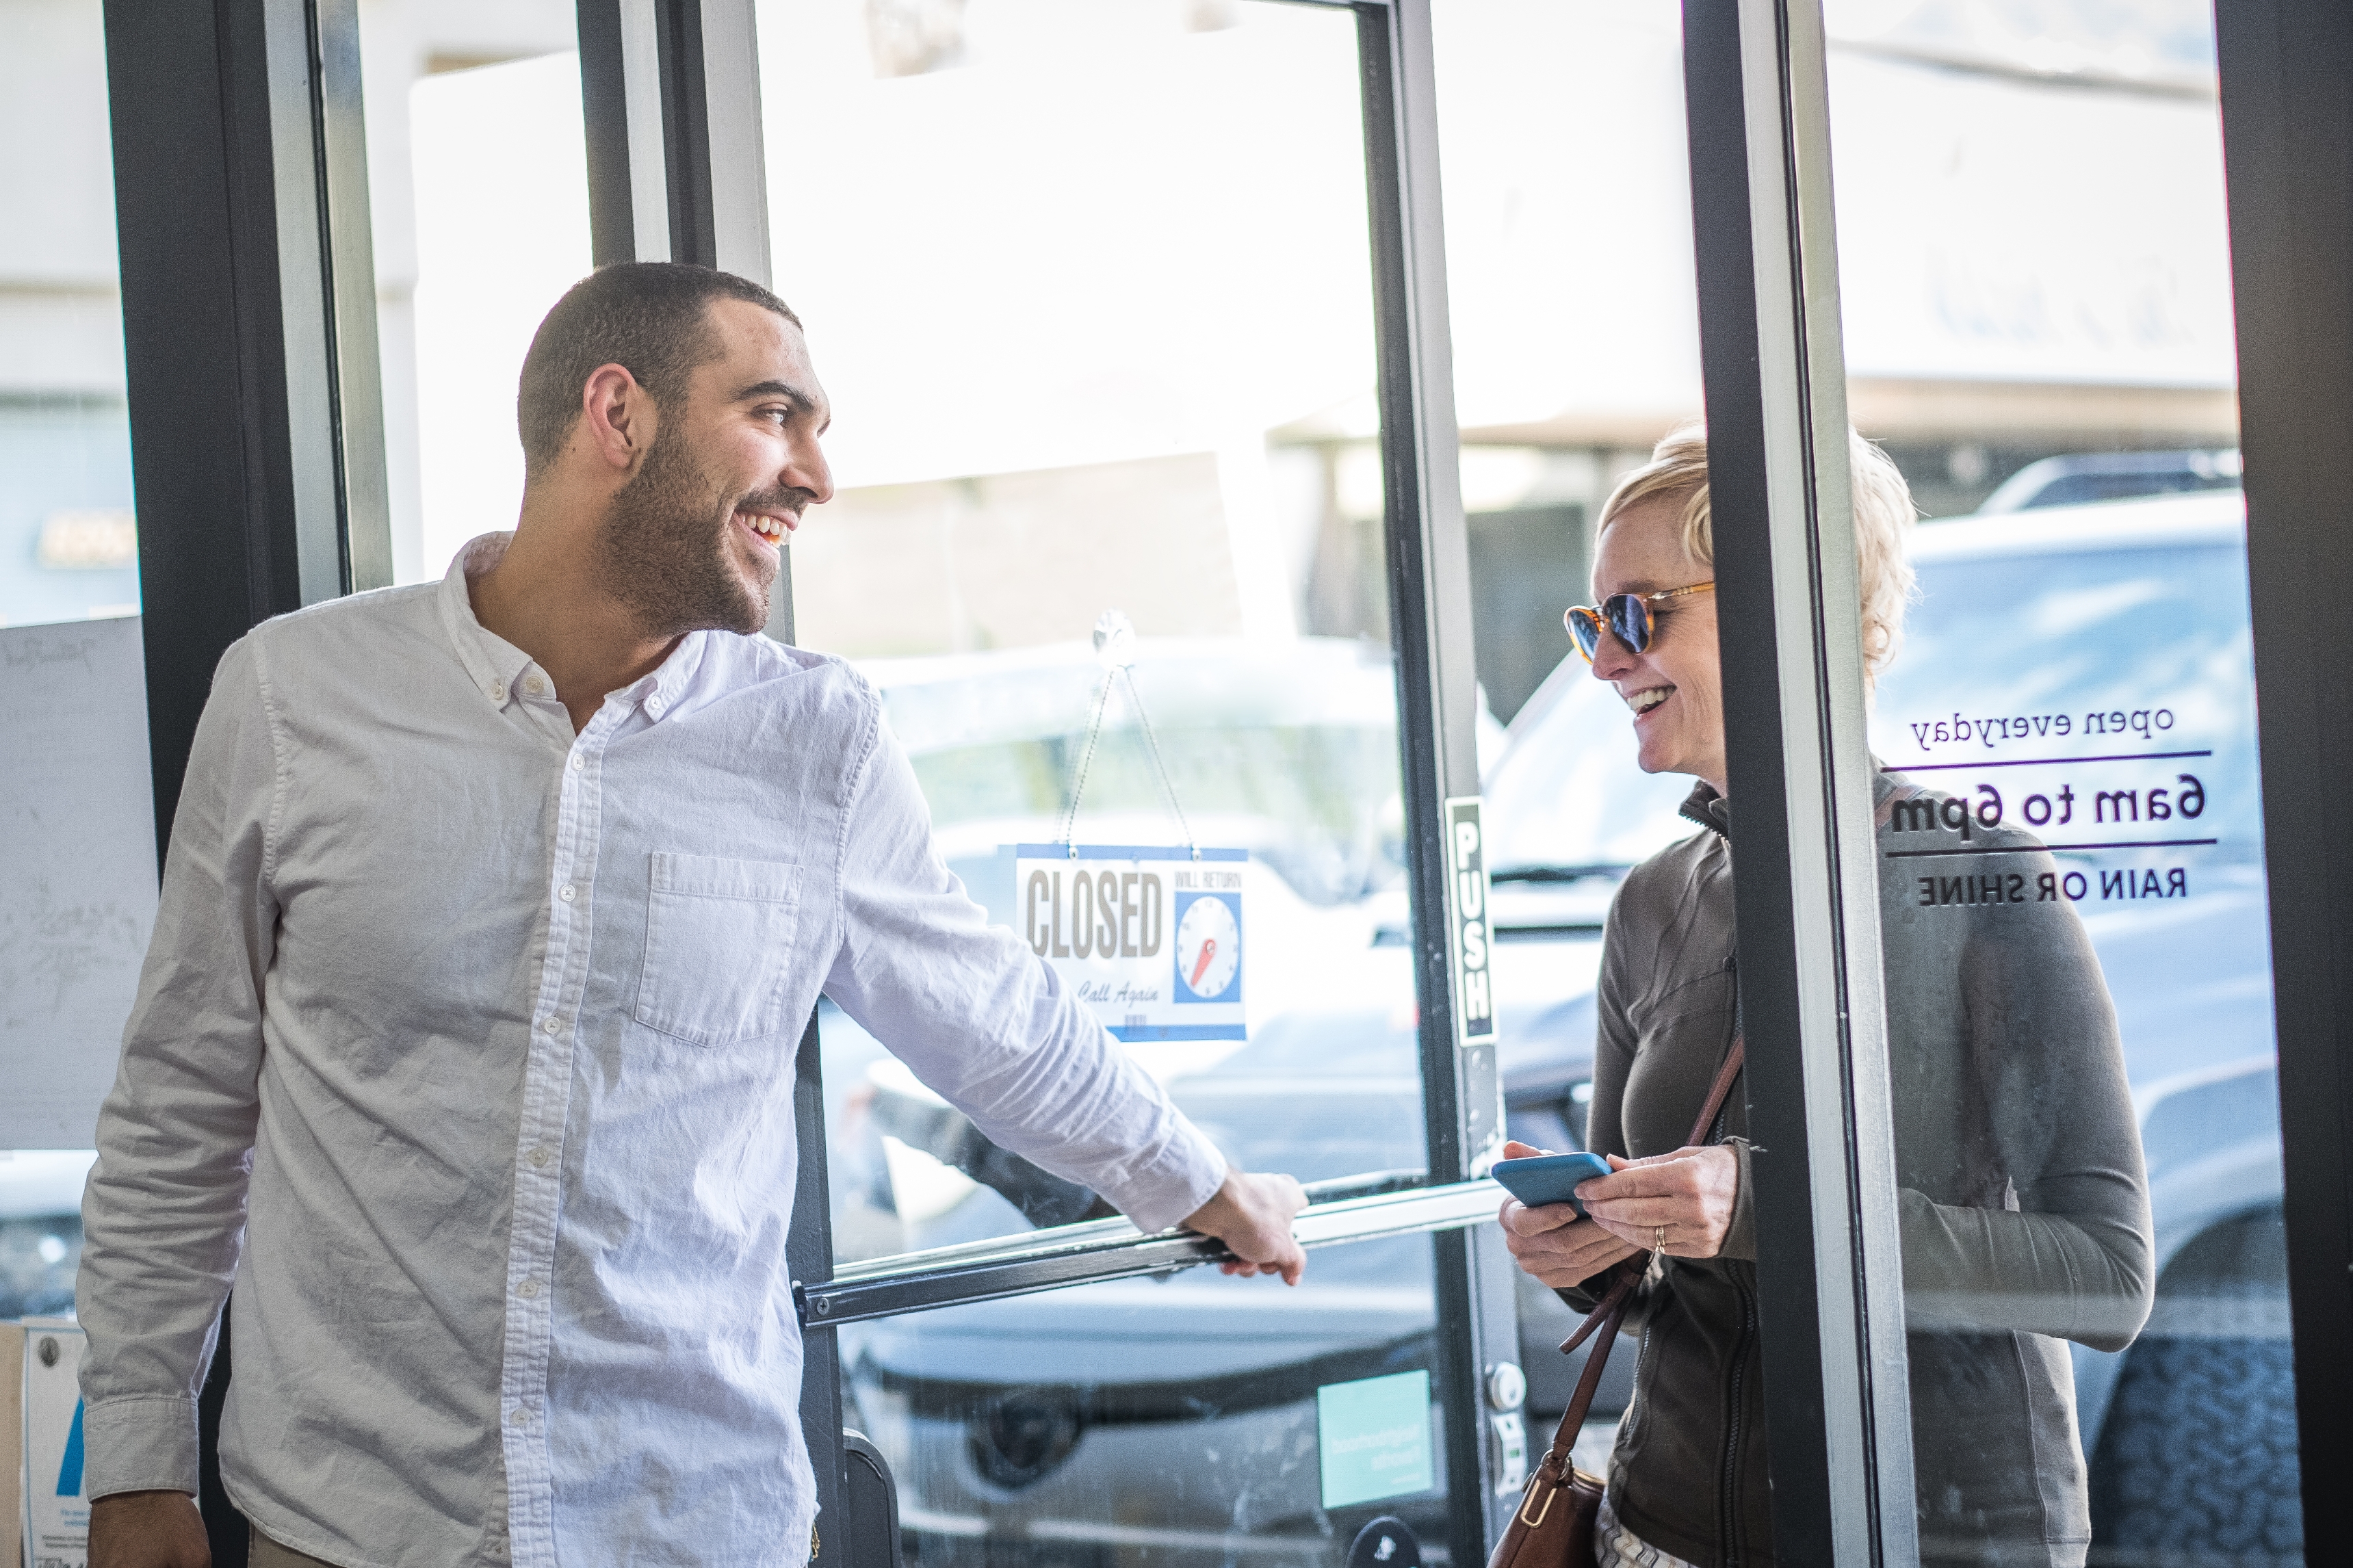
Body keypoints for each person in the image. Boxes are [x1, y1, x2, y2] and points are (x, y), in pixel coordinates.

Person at [79, 261, 1309, 1568]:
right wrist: (135, 1465)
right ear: (619, 416)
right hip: (350, 1528)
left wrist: (1198, 1182)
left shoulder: (818, 737)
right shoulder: (291, 695)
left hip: (693, 1521)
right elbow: (183, 1107)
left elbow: (988, 1014)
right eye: (777, 415)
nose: (818, 478)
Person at [1498, 426, 2153, 1567]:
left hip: (1937, 1533)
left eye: (1638, 615)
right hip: (1666, 1533)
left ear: (1781, 610)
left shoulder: (1979, 877)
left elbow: (2108, 1280)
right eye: (1590, 623)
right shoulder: (1650, 906)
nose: (1603, 661)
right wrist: (1588, 1252)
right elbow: (1662, 1276)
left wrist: (1765, 1206)